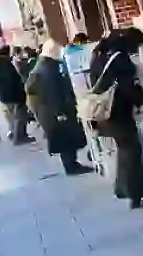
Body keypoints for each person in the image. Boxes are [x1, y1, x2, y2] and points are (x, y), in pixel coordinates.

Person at [89, 28, 143, 209]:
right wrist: (141, 99)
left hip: (105, 114)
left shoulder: (100, 55)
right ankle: (140, 195)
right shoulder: (120, 60)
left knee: (125, 150)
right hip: (118, 114)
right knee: (132, 151)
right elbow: (127, 88)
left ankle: (125, 190)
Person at [27, 40, 93, 176]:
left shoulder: (43, 65)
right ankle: (71, 166)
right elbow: (52, 93)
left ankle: (71, 164)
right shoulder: (48, 69)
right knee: (66, 138)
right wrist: (60, 111)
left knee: (65, 138)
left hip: (52, 110)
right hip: (57, 110)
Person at [0, 47, 33, 144]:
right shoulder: (9, 64)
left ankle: (14, 134)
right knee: (20, 116)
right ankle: (19, 137)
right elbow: (15, 79)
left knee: (11, 117)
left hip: (4, 95)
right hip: (14, 94)